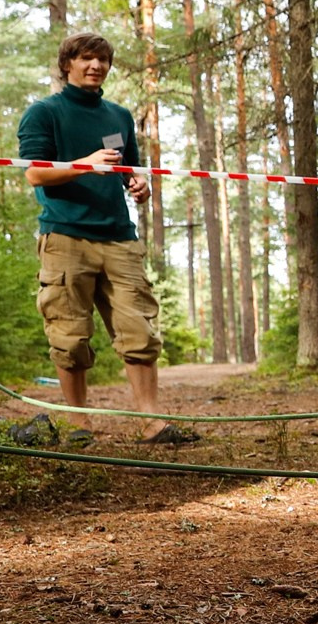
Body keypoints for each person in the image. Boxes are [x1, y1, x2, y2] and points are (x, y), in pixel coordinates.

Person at [16, 31, 189, 445]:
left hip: (119, 238)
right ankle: (80, 425)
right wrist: (82, 164)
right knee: (70, 338)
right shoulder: (43, 113)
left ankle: (152, 423)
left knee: (140, 332)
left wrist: (139, 181)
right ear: (67, 65)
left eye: (102, 60)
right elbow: (34, 173)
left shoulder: (118, 116)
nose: (95, 66)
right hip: (65, 237)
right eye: (86, 58)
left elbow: (128, 166)